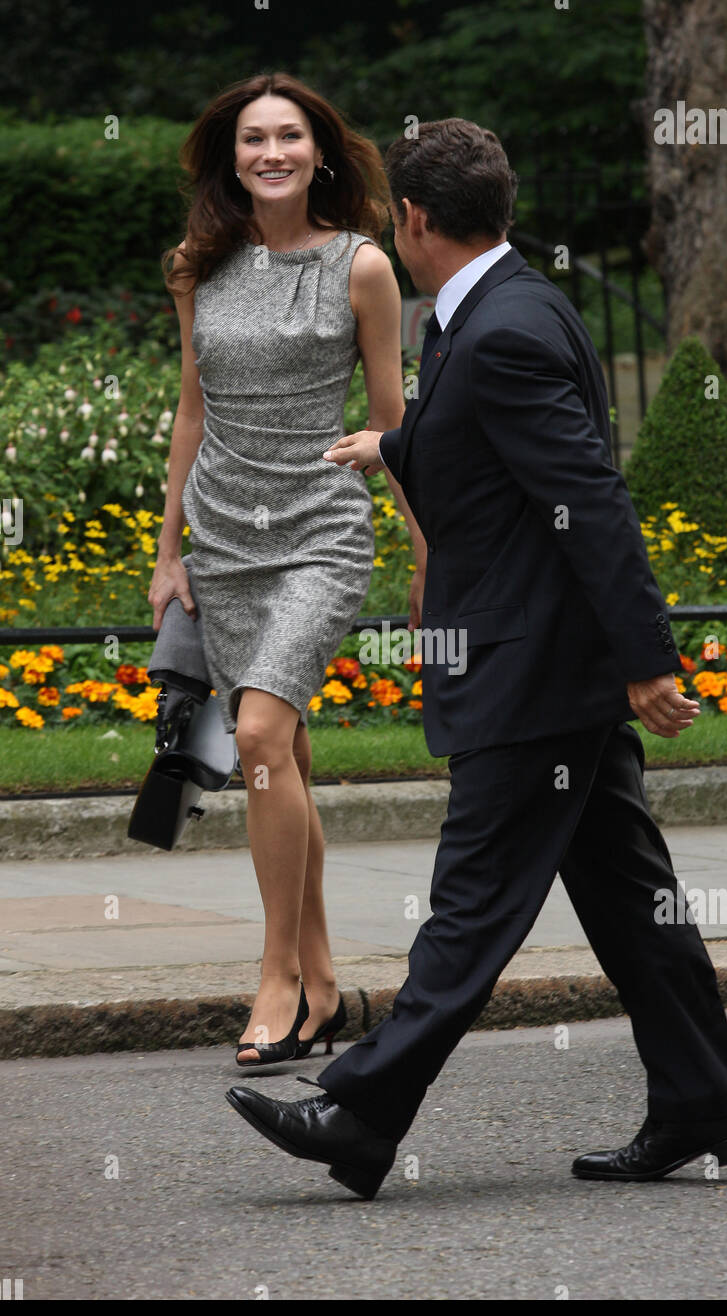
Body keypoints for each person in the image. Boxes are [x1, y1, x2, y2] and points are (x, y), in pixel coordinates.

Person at [226, 118, 727, 1199]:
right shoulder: (507, 305)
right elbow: (492, 444)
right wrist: (396, 445)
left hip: (530, 675)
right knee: (632, 905)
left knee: (468, 908)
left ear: (414, 221)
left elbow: (587, 499)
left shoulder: (501, 326)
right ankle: (700, 1103)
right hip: (553, 672)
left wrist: (646, 658)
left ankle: (360, 1113)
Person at [150, 73, 426, 1068]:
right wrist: (167, 550)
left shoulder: (361, 266)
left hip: (318, 530)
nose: (271, 153)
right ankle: (320, 985)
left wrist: (425, 545)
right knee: (285, 762)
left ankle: (274, 975)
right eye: (253, 139)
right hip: (222, 540)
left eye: (289, 137)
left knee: (258, 734)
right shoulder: (197, 265)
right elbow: (191, 411)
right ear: (232, 157)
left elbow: (395, 421)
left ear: (320, 153)